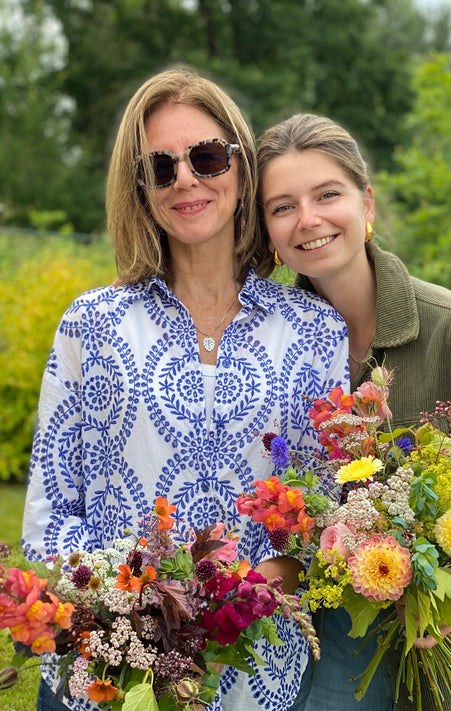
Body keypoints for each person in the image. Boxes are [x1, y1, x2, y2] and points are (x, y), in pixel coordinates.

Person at [22, 75, 349, 711]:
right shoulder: (92, 324)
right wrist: (122, 609)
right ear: (139, 187)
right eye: (160, 166)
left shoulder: (314, 329)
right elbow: (51, 509)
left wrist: (234, 598)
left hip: (259, 670)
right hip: (113, 671)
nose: (186, 180)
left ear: (242, 168)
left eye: (206, 156)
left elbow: (325, 518)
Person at [256, 112, 451, 711]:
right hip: (328, 649)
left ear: (367, 205)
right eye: (282, 206)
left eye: (327, 194)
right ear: (269, 232)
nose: (308, 219)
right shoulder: (267, 348)